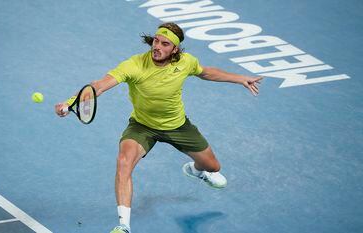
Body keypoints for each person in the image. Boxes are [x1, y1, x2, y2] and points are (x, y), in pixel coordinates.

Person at [55, 22, 262, 233]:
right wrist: (70, 103)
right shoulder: (134, 65)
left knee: (213, 167)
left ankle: (196, 171)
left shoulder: (186, 62)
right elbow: (99, 85)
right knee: (123, 162)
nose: (157, 47)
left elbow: (206, 72)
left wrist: (240, 79)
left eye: (165, 44)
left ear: (175, 49)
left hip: (178, 126)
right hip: (142, 126)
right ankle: (123, 225)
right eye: (156, 41)